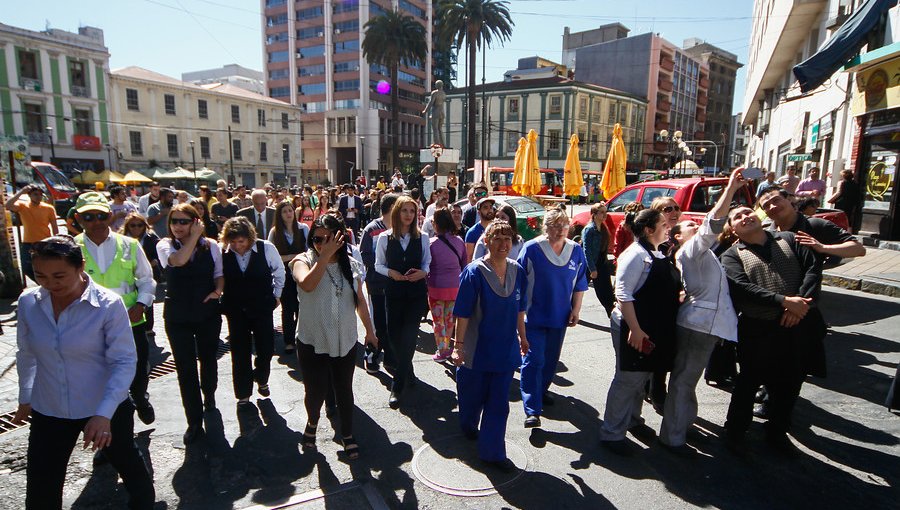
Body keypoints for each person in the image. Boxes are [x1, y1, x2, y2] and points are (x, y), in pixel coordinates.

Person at [13, 235, 156, 509]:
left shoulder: (108, 305)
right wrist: (26, 396)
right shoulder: (29, 302)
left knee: (126, 461)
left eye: (59, 276)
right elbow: (27, 353)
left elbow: (124, 361)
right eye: (40, 276)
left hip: (104, 405)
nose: (50, 285)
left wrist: (103, 414)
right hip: (50, 408)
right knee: (42, 485)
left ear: (80, 267)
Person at [720, 205, 826, 454]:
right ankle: (735, 431)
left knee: (790, 382)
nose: (745, 217)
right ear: (733, 229)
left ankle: (777, 431)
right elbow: (742, 287)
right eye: (737, 217)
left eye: (748, 212)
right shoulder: (732, 256)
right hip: (758, 330)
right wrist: (783, 302)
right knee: (748, 382)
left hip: (798, 325)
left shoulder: (789, 238)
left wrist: (798, 304)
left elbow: (813, 269)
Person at [658, 169, 746, 454]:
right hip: (699, 324)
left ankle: (683, 426)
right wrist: (730, 188)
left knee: (687, 380)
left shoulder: (698, 252)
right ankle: (672, 437)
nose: (694, 227)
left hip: (704, 323)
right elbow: (714, 223)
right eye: (688, 227)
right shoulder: (690, 250)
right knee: (683, 381)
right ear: (678, 236)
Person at [292, 214, 378, 459]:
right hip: (312, 339)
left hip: (344, 339)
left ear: (341, 238)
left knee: (344, 389)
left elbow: (360, 300)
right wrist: (324, 256)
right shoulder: (303, 260)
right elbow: (306, 284)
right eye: (318, 239)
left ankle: (347, 434)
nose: (322, 243)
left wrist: (370, 332)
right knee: (315, 390)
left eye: (329, 239)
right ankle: (312, 424)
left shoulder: (351, 264)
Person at [598, 209, 680, 454]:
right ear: (648, 229)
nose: (668, 228)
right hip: (633, 326)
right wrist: (635, 329)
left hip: (651, 327)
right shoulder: (634, 254)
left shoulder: (657, 252)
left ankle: (632, 421)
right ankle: (612, 433)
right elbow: (623, 295)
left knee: (640, 378)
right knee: (628, 378)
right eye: (663, 224)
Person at [73, 192, 157, 426]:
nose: (95, 222)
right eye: (88, 217)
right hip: (90, 326)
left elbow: (146, 280)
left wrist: (141, 304)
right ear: (79, 219)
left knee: (138, 368)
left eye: (100, 215)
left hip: (130, 321)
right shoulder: (72, 247)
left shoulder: (129, 245)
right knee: (100, 379)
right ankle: (110, 438)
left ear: (109, 216)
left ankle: (140, 397)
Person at [452, 220, 529, 473]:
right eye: (497, 238)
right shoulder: (474, 272)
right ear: (486, 241)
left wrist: (523, 337)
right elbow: (462, 313)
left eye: (508, 239)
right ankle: (468, 422)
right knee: (472, 398)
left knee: (498, 404)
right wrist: (457, 346)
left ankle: (492, 452)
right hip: (476, 349)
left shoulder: (517, 271)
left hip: (504, 350)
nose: (503, 244)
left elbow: (519, 309)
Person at [156, 204, 224, 444]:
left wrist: (217, 291)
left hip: (206, 312)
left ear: (196, 222)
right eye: (174, 221)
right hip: (178, 316)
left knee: (208, 359)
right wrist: (194, 236)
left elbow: (219, 273)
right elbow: (179, 261)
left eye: (184, 221)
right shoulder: (164, 245)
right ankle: (193, 420)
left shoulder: (212, 246)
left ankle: (210, 395)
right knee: (185, 368)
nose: (178, 226)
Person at [517, 207, 588, 428]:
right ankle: (532, 408)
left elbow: (580, 283)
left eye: (564, 225)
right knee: (533, 360)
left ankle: (542, 390)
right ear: (545, 227)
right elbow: (518, 284)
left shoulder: (576, 250)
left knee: (550, 361)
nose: (560, 230)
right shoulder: (532, 249)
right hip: (533, 317)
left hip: (560, 317)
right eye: (555, 225)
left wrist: (576, 310)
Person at [219, 217, 285, 405]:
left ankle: (262, 377)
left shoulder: (265, 248)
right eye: (233, 242)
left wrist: (277, 295)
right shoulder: (223, 252)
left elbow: (279, 271)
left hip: (262, 305)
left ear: (249, 238)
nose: (238, 246)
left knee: (265, 348)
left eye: (241, 241)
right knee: (239, 351)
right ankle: (243, 393)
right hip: (235, 307)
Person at [375, 195, 431, 409]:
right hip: (394, 291)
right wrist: (392, 273)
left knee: (409, 336)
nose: (409, 215)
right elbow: (378, 264)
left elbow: (427, 262)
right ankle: (408, 370)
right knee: (393, 336)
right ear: (397, 212)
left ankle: (396, 387)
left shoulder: (423, 237)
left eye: (412, 211)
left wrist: (423, 273)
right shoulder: (384, 237)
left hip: (415, 294)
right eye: (405, 211)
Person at [759, 188, 865, 267]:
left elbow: (858, 249)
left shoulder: (815, 225)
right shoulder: (767, 232)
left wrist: (822, 248)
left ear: (789, 200)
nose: (772, 207)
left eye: (776, 200)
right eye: (766, 205)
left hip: (806, 295)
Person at [359, 193, 399, 374]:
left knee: (391, 324)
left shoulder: (401, 229)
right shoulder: (372, 229)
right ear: (391, 209)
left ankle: (390, 358)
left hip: (395, 285)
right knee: (376, 323)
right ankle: (371, 356)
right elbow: (364, 255)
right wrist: (382, 266)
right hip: (376, 284)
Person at [268, 201, 309, 354]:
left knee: (302, 306)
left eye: (290, 210)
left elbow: (309, 251)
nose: (288, 214)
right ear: (280, 214)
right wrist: (292, 256)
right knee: (287, 308)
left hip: (301, 272)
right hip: (283, 275)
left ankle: (302, 337)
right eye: (284, 211)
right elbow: (272, 256)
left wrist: (294, 258)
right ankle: (289, 341)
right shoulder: (274, 232)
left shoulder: (303, 229)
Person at [428, 208, 466, 362]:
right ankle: (447, 348)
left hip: (436, 287)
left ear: (436, 224)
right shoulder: (459, 241)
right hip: (455, 287)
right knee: (450, 319)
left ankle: (442, 350)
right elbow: (465, 264)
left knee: (438, 321)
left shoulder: (431, 244)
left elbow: (426, 266)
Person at [6, 185, 59, 282]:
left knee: (46, 267)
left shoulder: (49, 208)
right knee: (26, 267)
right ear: (29, 195)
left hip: (44, 242)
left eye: (40, 194)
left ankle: (46, 285)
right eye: (35, 194)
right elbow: (8, 205)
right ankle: (41, 284)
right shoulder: (23, 206)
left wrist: (57, 240)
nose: (38, 197)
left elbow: (55, 226)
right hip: (28, 243)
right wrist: (22, 191)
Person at [120, 213, 161, 332]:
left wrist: (154, 262)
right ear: (128, 226)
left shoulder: (151, 237)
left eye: (140, 225)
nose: (137, 228)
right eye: (133, 225)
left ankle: (148, 327)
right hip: (128, 275)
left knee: (147, 298)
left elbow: (159, 252)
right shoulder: (121, 239)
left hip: (148, 273)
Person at [581, 202, 615, 317]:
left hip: (602, 263)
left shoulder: (603, 228)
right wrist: (592, 269)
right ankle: (570, 311)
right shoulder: (589, 229)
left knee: (607, 293)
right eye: (601, 212)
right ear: (594, 214)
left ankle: (612, 316)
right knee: (578, 290)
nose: (605, 215)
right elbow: (587, 250)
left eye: (606, 212)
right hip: (590, 264)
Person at [464, 196, 497, 262]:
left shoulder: (497, 228)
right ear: (479, 212)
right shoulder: (472, 232)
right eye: (485, 208)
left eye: (491, 207)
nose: (489, 210)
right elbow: (469, 258)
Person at [422, 79, 446, 147]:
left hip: (436, 112)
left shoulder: (435, 93)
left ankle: (437, 143)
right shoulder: (444, 94)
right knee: (440, 129)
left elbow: (431, 102)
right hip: (442, 112)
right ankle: (443, 144)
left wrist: (425, 110)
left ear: (437, 85)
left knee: (435, 128)